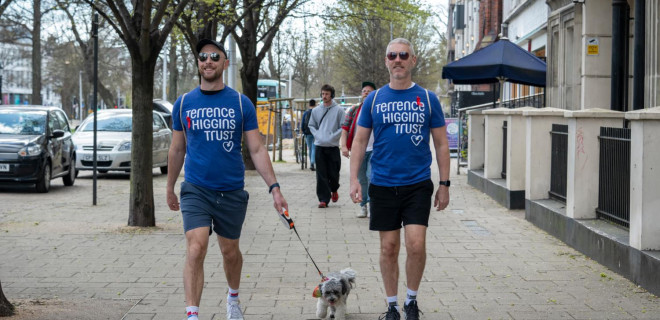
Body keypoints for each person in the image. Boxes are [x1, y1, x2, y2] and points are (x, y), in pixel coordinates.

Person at [166, 39, 288, 320]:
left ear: (224, 63)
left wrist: (275, 188)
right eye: (203, 57)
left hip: (231, 191)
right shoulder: (183, 103)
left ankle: (233, 298)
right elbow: (177, 149)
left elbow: (256, 149)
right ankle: (192, 314)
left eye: (214, 57)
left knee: (229, 251)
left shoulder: (239, 102)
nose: (207, 61)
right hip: (196, 188)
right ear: (198, 63)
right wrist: (170, 187)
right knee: (196, 247)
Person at [348, 38, 450, 320]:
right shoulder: (374, 99)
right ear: (386, 61)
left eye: (403, 55)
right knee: (389, 247)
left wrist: (444, 184)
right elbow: (359, 141)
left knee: (416, 244)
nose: (398, 59)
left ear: (412, 60)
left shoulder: (429, 99)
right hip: (381, 183)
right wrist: (354, 180)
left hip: (417, 184)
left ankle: (411, 301)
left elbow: (441, 144)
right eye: (392, 55)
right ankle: (392, 305)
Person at [340, 81, 376, 218]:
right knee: (361, 180)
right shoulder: (355, 110)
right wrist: (344, 146)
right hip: (359, 150)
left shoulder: (378, 109)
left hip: (375, 149)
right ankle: (363, 206)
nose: (366, 93)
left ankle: (373, 206)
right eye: (364, 91)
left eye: (370, 91)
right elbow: (345, 129)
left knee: (371, 177)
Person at [308, 84, 345, 208]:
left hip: (333, 147)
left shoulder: (339, 110)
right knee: (321, 174)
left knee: (334, 174)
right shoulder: (316, 110)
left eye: (327, 94)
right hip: (319, 146)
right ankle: (323, 199)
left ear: (332, 95)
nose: (324, 96)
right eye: (323, 94)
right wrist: (317, 135)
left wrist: (333, 136)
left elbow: (343, 126)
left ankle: (334, 189)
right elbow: (311, 125)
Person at [300, 99, 317, 171]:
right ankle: (313, 162)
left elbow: (302, 123)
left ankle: (311, 163)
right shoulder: (316, 112)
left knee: (310, 148)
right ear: (315, 104)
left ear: (309, 104)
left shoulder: (305, 113)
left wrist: (304, 132)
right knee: (314, 148)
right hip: (315, 133)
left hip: (308, 133)